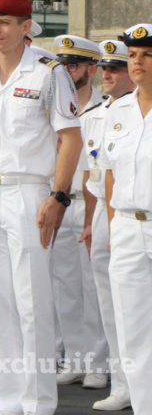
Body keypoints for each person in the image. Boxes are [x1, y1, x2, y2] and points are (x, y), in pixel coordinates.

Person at [0, 0, 82, 415]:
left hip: (29, 193)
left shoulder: (49, 73)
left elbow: (70, 138)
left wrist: (58, 196)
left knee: (31, 302)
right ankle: (10, 400)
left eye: (7, 22)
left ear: (27, 26)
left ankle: (39, 402)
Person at [78, 38, 135, 412]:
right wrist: (90, 225)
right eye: (106, 68)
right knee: (111, 305)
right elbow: (93, 177)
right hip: (106, 213)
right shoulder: (96, 116)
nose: (108, 74)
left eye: (118, 68)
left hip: (134, 212)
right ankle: (123, 382)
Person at [49, 35, 109, 388]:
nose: (68, 71)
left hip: (90, 203)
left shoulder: (105, 110)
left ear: (92, 69)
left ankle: (97, 363)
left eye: (75, 65)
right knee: (64, 286)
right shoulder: (53, 105)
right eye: (64, 65)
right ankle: (74, 357)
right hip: (59, 201)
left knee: (93, 287)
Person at [99, 23, 152, 415]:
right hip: (127, 226)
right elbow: (111, 173)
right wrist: (114, 225)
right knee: (132, 328)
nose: (138, 63)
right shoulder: (117, 110)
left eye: (148, 55)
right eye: (133, 55)